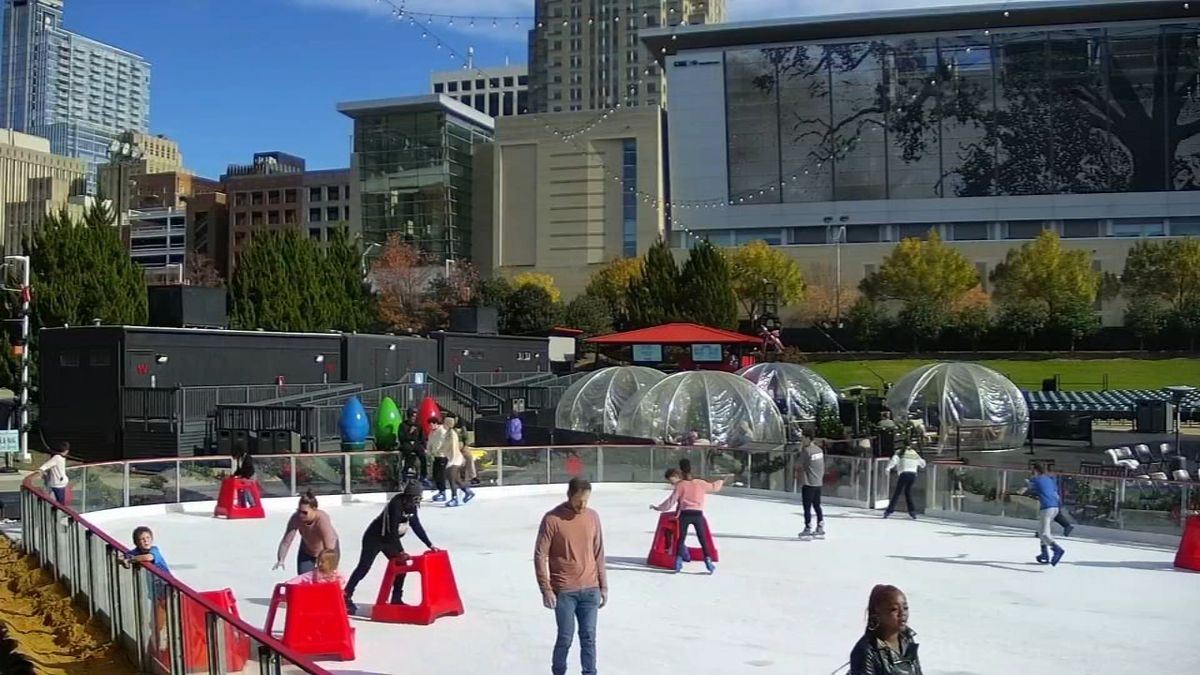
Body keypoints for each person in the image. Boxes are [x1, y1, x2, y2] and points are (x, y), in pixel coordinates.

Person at [535, 478, 607, 675]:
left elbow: (599, 552)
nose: (582, 505)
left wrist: (604, 586)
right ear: (569, 496)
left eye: (586, 501)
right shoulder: (552, 519)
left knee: (589, 637)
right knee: (565, 638)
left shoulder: (593, 517)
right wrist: (546, 589)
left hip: (591, 589)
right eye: (578, 501)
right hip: (565, 590)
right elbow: (540, 555)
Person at [343, 480, 437, 613]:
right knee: (364, 567)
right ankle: (346, 595)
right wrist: (400, 550)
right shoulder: (396, 504)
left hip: (389, 540)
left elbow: (416, 526)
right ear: (410, 496)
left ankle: (396, 598)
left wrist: (430, 544)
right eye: (417, 497)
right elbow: (392, 530)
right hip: (374, 538)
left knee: (401, 566)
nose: (418, 501)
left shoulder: (411, 507)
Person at [651, 468, 723, 573]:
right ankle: (708, 560)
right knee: (702, 539)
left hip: (685, 515)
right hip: (698, 515)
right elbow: (714, 487)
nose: (672, 484)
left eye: (672, 481)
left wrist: (659, 508)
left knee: (681, 539)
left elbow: (670, 501)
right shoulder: (700, 483)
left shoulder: (681, 485)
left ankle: (678, 561)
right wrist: (721, 480)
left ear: (677, 475)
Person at [848, 584, 922, 675]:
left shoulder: (907, 639)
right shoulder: (866, 651)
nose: (902, 613)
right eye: (894, 609)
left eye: (905, 608)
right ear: (878, 612)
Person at [274, 491, 339, 574]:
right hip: (308, 551)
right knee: (303, 578)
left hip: (328, 551)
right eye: (299, 511)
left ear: (314, 509)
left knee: (326, 577)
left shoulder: (322, 519)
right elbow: (286, 541)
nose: (301, 515)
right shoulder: (296, 518)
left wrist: (325, 564)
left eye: (304, 513)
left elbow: (329, 547)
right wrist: (281, 559)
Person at [1028, 463, 1066, 566]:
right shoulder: (1050, 479)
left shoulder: (1035, 479)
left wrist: (1020, 490)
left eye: (1032, 471)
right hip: (1055, 508)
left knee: (1045, 533)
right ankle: (1044, 554)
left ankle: (1057, 549)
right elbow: (1056, 495)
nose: (1031, 473)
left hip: (1046, 508)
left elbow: (1025, 489)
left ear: (1035, 471)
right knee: (1041, 532)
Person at [883, 446, 926, 519]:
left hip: (904, 473)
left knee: (897, 493)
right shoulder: (914, 452)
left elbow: (894, 460)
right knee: (907, 492)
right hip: (912, 475)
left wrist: (888, 468)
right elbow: (923, 464)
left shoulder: (900, 452)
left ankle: (889, 511)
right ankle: (912, 512)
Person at [798, 436, 826, 539]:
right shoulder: (819, 450)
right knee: (817, 505)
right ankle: (820, 526)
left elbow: (800, 464)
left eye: (803, 438)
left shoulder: (806, 451)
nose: (802, 440)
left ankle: (807, 527)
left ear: (809, 438)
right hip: (818, 482)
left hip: (808, 482)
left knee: (807, 507)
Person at [399, 408, 429, 486]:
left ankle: (423, 475)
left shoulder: (418, 425)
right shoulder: (403, 425)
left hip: (416, 443)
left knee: (422, 456)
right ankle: (405, 473)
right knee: (408, 455)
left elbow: (422, 437)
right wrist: (409, 432)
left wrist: (424, 446)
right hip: (407, 443)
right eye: (412, 417)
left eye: (415, 417)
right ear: (409, 417)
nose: (413, 419)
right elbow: (401, 437)